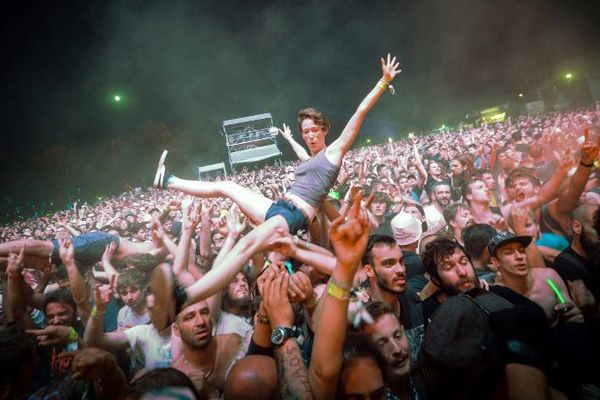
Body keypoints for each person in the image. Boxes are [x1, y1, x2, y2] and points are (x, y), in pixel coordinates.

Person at [152, 55, 402, 305]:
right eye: (306, 132)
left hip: (293, 216)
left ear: (325, 129)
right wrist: (287, 136)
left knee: (246, 245)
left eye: (315, 130)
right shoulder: (310, 158)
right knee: (226, 186)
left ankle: (185, 298)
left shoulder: (334, 152)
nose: (311, 135)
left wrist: (383, 81)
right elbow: (301, 153)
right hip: (277, 208)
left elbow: (359, 113)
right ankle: (168, 180)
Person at [170, 300, 242, 398]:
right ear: (176, 329)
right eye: (190, 317)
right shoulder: (176, 376)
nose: (201, 322)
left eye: (204, 312)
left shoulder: (233, 345)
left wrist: (209, 393)